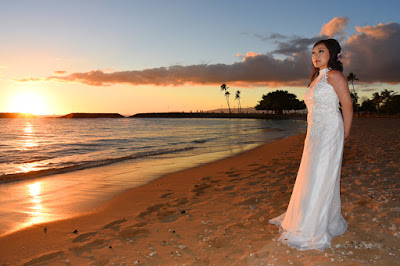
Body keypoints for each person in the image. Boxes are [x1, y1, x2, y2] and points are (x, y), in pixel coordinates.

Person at [269, 39, 353, 251]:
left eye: (321, 51)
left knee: (321, 175)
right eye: (313, 52)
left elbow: (348, 105)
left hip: (331, 131)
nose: (315, 56)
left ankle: (314, 225)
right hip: (314, 133)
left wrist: (346, 133)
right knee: (309, 174)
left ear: (332, 53)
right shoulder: (316, 78)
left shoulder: (334, 76)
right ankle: (304, 218)